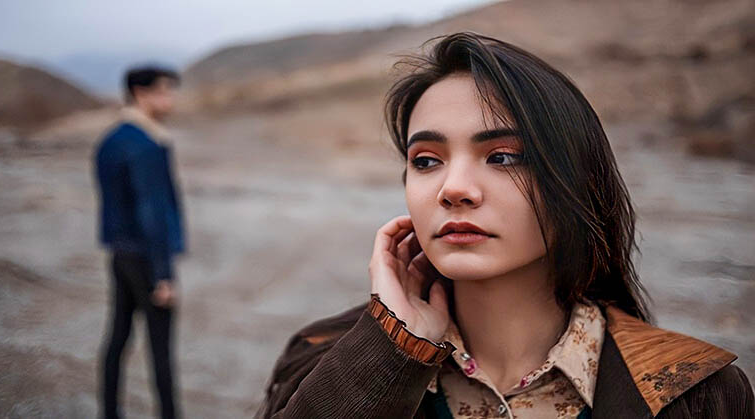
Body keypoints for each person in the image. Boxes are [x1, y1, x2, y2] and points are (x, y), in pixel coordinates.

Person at [257, 33, 753, 418]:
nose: (454, 188)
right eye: (427, 160)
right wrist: (393, 349)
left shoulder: (696, 392)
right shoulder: (319, 360)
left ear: (576, 181)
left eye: (503, 157)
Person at [94, 65, 185, 419]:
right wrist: (163, 274)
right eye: (164, 91)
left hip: (121, 253)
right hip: (148, 259)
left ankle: (109, 412)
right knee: (160, 348)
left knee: (117, 337)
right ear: (141, 93)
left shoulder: (112, 139)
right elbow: (153, 211)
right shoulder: (147, 145)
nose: (170, 99)